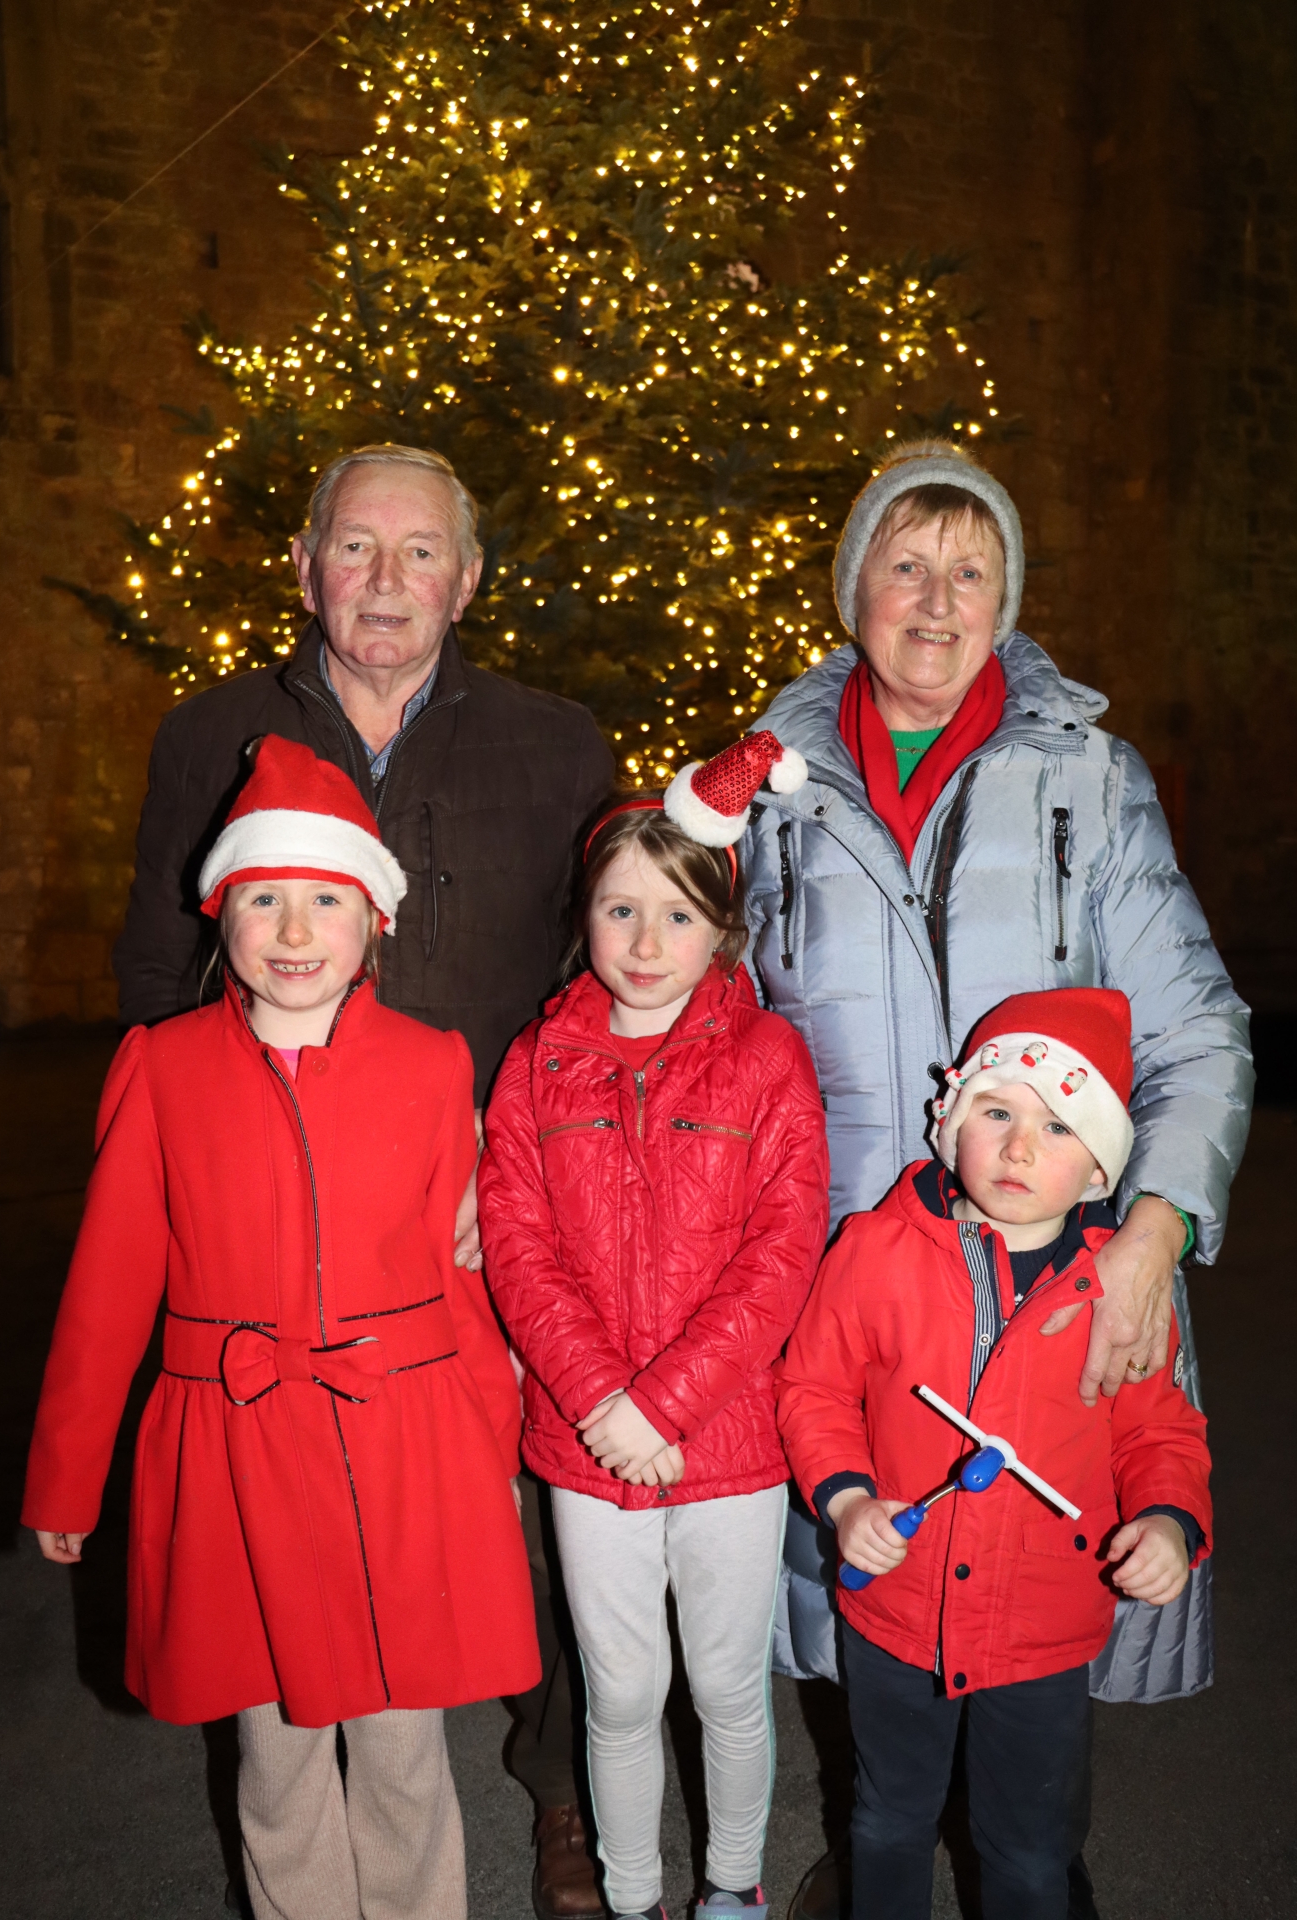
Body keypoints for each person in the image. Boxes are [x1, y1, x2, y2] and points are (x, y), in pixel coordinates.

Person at [736, 436, 1249, 1916]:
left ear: (1005, 597)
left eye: (971, 570)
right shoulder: (770, 786)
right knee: (871, 1627)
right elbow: (725, 1023)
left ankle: (1029, 1871)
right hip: (857, 1286)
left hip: (1054, 1280)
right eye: (904, 564)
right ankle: (884, 1854)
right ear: (854, 591)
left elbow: (1197, 1027)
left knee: (1026, 1643)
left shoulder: (1085, 774)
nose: (935, 599)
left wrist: (1154, 1227)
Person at [111, 443, 616, 1917]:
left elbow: (596, 980)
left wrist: (513, 1161)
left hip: (494, 1194)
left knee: (519, 1509)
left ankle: (559, 1789)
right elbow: (157, 964)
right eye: (354, 548)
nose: (384, 582)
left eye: (418, 554)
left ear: (465, 578)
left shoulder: (556, 742)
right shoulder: (208, 735)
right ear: (304, 563)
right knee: (309, 1525)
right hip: (285, 1212)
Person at [22, 737, 540, 1920]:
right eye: (264, 898)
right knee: (278, 1750)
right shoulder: (160, 1069)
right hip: (233, 1451)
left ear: (374, 925)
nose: (295, 930)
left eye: (325, 900)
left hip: (403, 1443)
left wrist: (489, 1445)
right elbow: (105, 1289)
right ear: (222, 914)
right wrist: (67, 1480)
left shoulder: (432, 1067)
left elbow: (464, 1282)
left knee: (407, 1752)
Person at [478, 735, 832, 1920]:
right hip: (587, 1443)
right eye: (619, 909)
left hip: (725, 1442)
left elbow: (780, 1256)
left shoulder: (769, 1061)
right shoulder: (535, 1067)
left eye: (676, 917)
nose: (643, 944)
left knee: (730, 1685)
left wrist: (665, 1404)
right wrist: (600, 1404)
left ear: (722, 929)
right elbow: (518, 1251)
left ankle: (732, 1888)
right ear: (582, 916)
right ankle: (632, 1898)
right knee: (622, 1692)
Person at [775, 988, 1212, 1920]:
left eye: (1059, 1126)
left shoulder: (1118, 1295)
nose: (1018, 1147)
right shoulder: (876, 1249)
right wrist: (848, 1500)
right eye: (997, 1111)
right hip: (896, 1612)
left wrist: (1171, 1520)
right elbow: (812, 1389)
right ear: (951, 1120)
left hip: (1041, 1630)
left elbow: (1157, 1433)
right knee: (888, 1819)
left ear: (1100, 1170)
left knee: (1028, 1846)